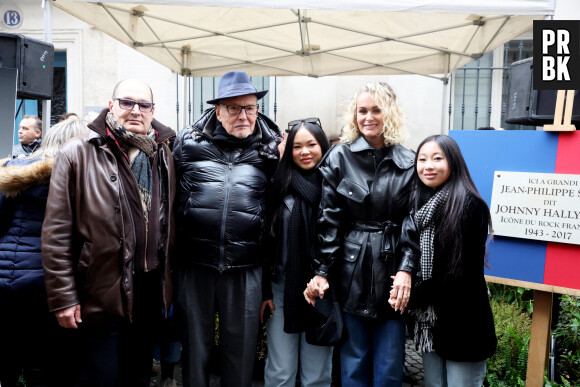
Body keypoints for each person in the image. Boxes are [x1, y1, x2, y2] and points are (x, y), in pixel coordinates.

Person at [41, 79, 176, 386]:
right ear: (111, 104)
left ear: (153, 111)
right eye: (127, 102)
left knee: (138, 374)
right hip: (99, 289)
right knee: (98, 376)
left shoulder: (162, 153)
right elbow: (56, 232)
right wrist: (63, 298)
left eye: (143, 105)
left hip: (148, 287)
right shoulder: (78, 151)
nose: (135, 111)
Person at [304, 81, 420, 386]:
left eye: (376, 110)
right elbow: (329, 219)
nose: (368, 117)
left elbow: (413, 222)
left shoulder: (409, 162)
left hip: (392, 270)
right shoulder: (339, 157)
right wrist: (322, 271)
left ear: (390, 112)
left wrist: (407, 269)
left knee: (389, 365)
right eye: (362, 110)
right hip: (350, 269)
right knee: (352, 363)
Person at [173, 70, 282, 387]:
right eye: (234, 108)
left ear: (257, 110)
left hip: (246, 268)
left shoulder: (272, 151)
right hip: (195, 265)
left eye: (249, 108)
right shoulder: (186, 144)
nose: (243, 115)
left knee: (241, 354)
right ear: (217, 111)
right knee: (195, 352)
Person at [0, 119, 89, 387]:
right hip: (46, 285)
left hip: (6, 281)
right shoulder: (74, 178)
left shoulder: (12, 171)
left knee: (8, 358)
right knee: (43, 363)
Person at [405, 134, 497, 387]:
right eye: (422, 159)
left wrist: (410, 296)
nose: (428, 166)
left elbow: (459, 275)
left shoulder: (470, 205)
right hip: (432, 324)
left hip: (464, 324)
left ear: (453, 162)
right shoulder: (419, 206)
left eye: (437, 158)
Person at [261, 118, 333, 387]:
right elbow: (265, 243)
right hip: (282, 288)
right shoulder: (278, 185)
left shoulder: (335, 186)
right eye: (297, 146)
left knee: (317, 374)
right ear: (288, 150)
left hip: (323, 290)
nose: (305, 152)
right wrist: (266, 292)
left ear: (323, 146)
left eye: (312, 144)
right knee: (281, 370)